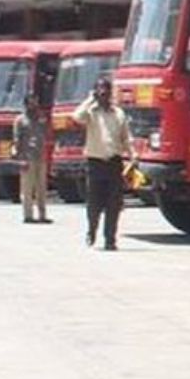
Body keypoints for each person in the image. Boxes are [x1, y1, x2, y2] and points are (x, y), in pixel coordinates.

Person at [72, 77, 135, 251]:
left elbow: (126, 137)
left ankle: (110, 239)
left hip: (114, 163)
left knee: (114, 204)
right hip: (95, 163)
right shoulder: (90, 113)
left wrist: (133, 155)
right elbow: (76, 117)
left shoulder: (118, 113)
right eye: (100, 91)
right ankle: (92, 230)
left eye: (106, 91)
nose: (103, 94)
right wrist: (90, 100)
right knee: (94, 204)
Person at [13, 93, 51, 225]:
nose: (33, 105)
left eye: (35, 102)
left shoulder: (41, 119)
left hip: (40, 157)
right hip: (27, 157)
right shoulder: (20, 120)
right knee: (27, 188)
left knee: (42, 188)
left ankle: (42, 215)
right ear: (26, 104)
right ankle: (28, 215)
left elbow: (46, 135)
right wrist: (20, 158)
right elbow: (17, 140)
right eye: (31, 102)